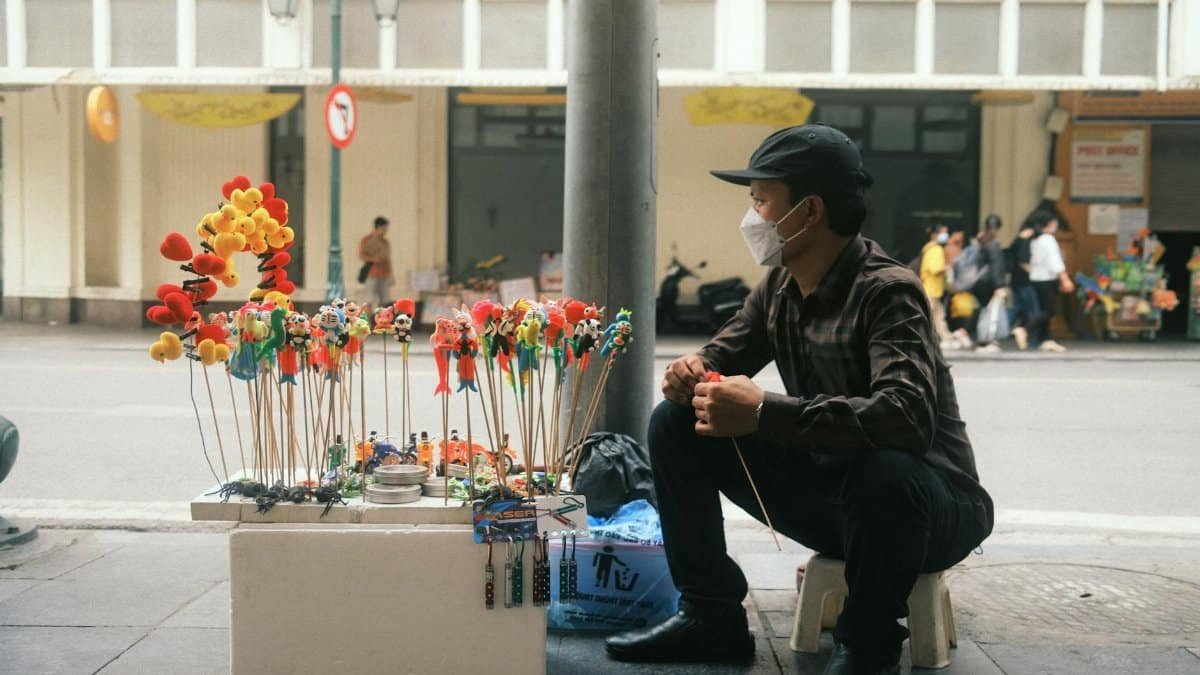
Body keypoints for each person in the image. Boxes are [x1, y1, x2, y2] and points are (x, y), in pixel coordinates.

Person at [604, 125, 993, 675]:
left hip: (930, 511)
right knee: (676, 421)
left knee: (884, 467)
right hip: (837, 501)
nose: (752, 216)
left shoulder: (888, 292)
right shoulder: (778, 287)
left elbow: (905, 419)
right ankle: (709, 614)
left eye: (761, 200)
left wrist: (764, 411)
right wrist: (691, 376)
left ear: (808, 212)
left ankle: (868, 642)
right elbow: (720, 360)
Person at [1028, 211, 1074, 352]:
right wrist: (1064, 278)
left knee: (1043, 309)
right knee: (1049, 310)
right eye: (1054, 222)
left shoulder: (1036, 240)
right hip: (1046, 279)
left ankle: (1045, 339)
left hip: (1036, 279)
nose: (1056, 225)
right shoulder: (1048, 239)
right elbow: (1055, 261)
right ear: (1048, 224)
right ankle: (1024, 328)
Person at [970, 215, 1009, 353]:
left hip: (978, 282)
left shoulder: (980, 241)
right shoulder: (993, 244)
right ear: (998, 227)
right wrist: (999, 286)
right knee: (992, 312)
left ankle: (982, 339)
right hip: (990, 283)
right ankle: (988, 340)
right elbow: (996, 266)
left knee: (984, 310)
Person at [919, 224, 957, 348]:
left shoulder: (930, 248)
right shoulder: (935, 249)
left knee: (937, 316)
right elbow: (935, 269)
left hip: (932, 289)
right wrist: (947, 267)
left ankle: (946, 338)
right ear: (934, 234)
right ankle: (943, 339)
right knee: (933, 316)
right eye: (942, 232)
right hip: (930, 289)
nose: (945, 235)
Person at [1008, 218, 1039, 350]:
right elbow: (1023, 262)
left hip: (1015, 280)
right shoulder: (1024, 242)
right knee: (1033, 311)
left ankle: (1003, 332)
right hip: (1024, 282)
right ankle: (1028, 336)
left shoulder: (1016, 241)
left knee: (1016, 308)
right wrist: (1035, 272)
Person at [358, 216, 393, 308]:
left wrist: (391, 275)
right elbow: (362, 255)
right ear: (378, 227)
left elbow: (388, 258)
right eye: (384, 228)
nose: (386, 231)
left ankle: (382, 320)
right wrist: (374, 259)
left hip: (384, 274)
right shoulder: (367, 240)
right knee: (369, 301)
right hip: (372, 273)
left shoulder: (385, 242)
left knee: (384, 300)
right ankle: (367, 322)